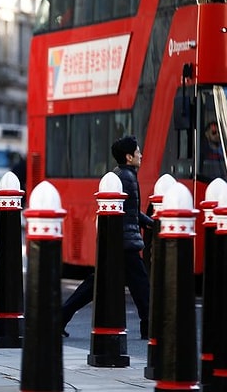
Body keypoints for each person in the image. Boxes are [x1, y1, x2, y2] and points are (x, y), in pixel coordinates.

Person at [61, 135, 152, 339]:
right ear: (129, 157)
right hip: (125, 242)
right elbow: (132, 212)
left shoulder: (121, 174)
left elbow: (130, 211)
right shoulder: (127, 177)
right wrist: (149, 223)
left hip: (116, 239)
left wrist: (149, 222)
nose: (141, 155)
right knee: (141, 286)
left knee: (96, 283)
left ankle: (60, 316)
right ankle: (149, 326)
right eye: (137, 152)